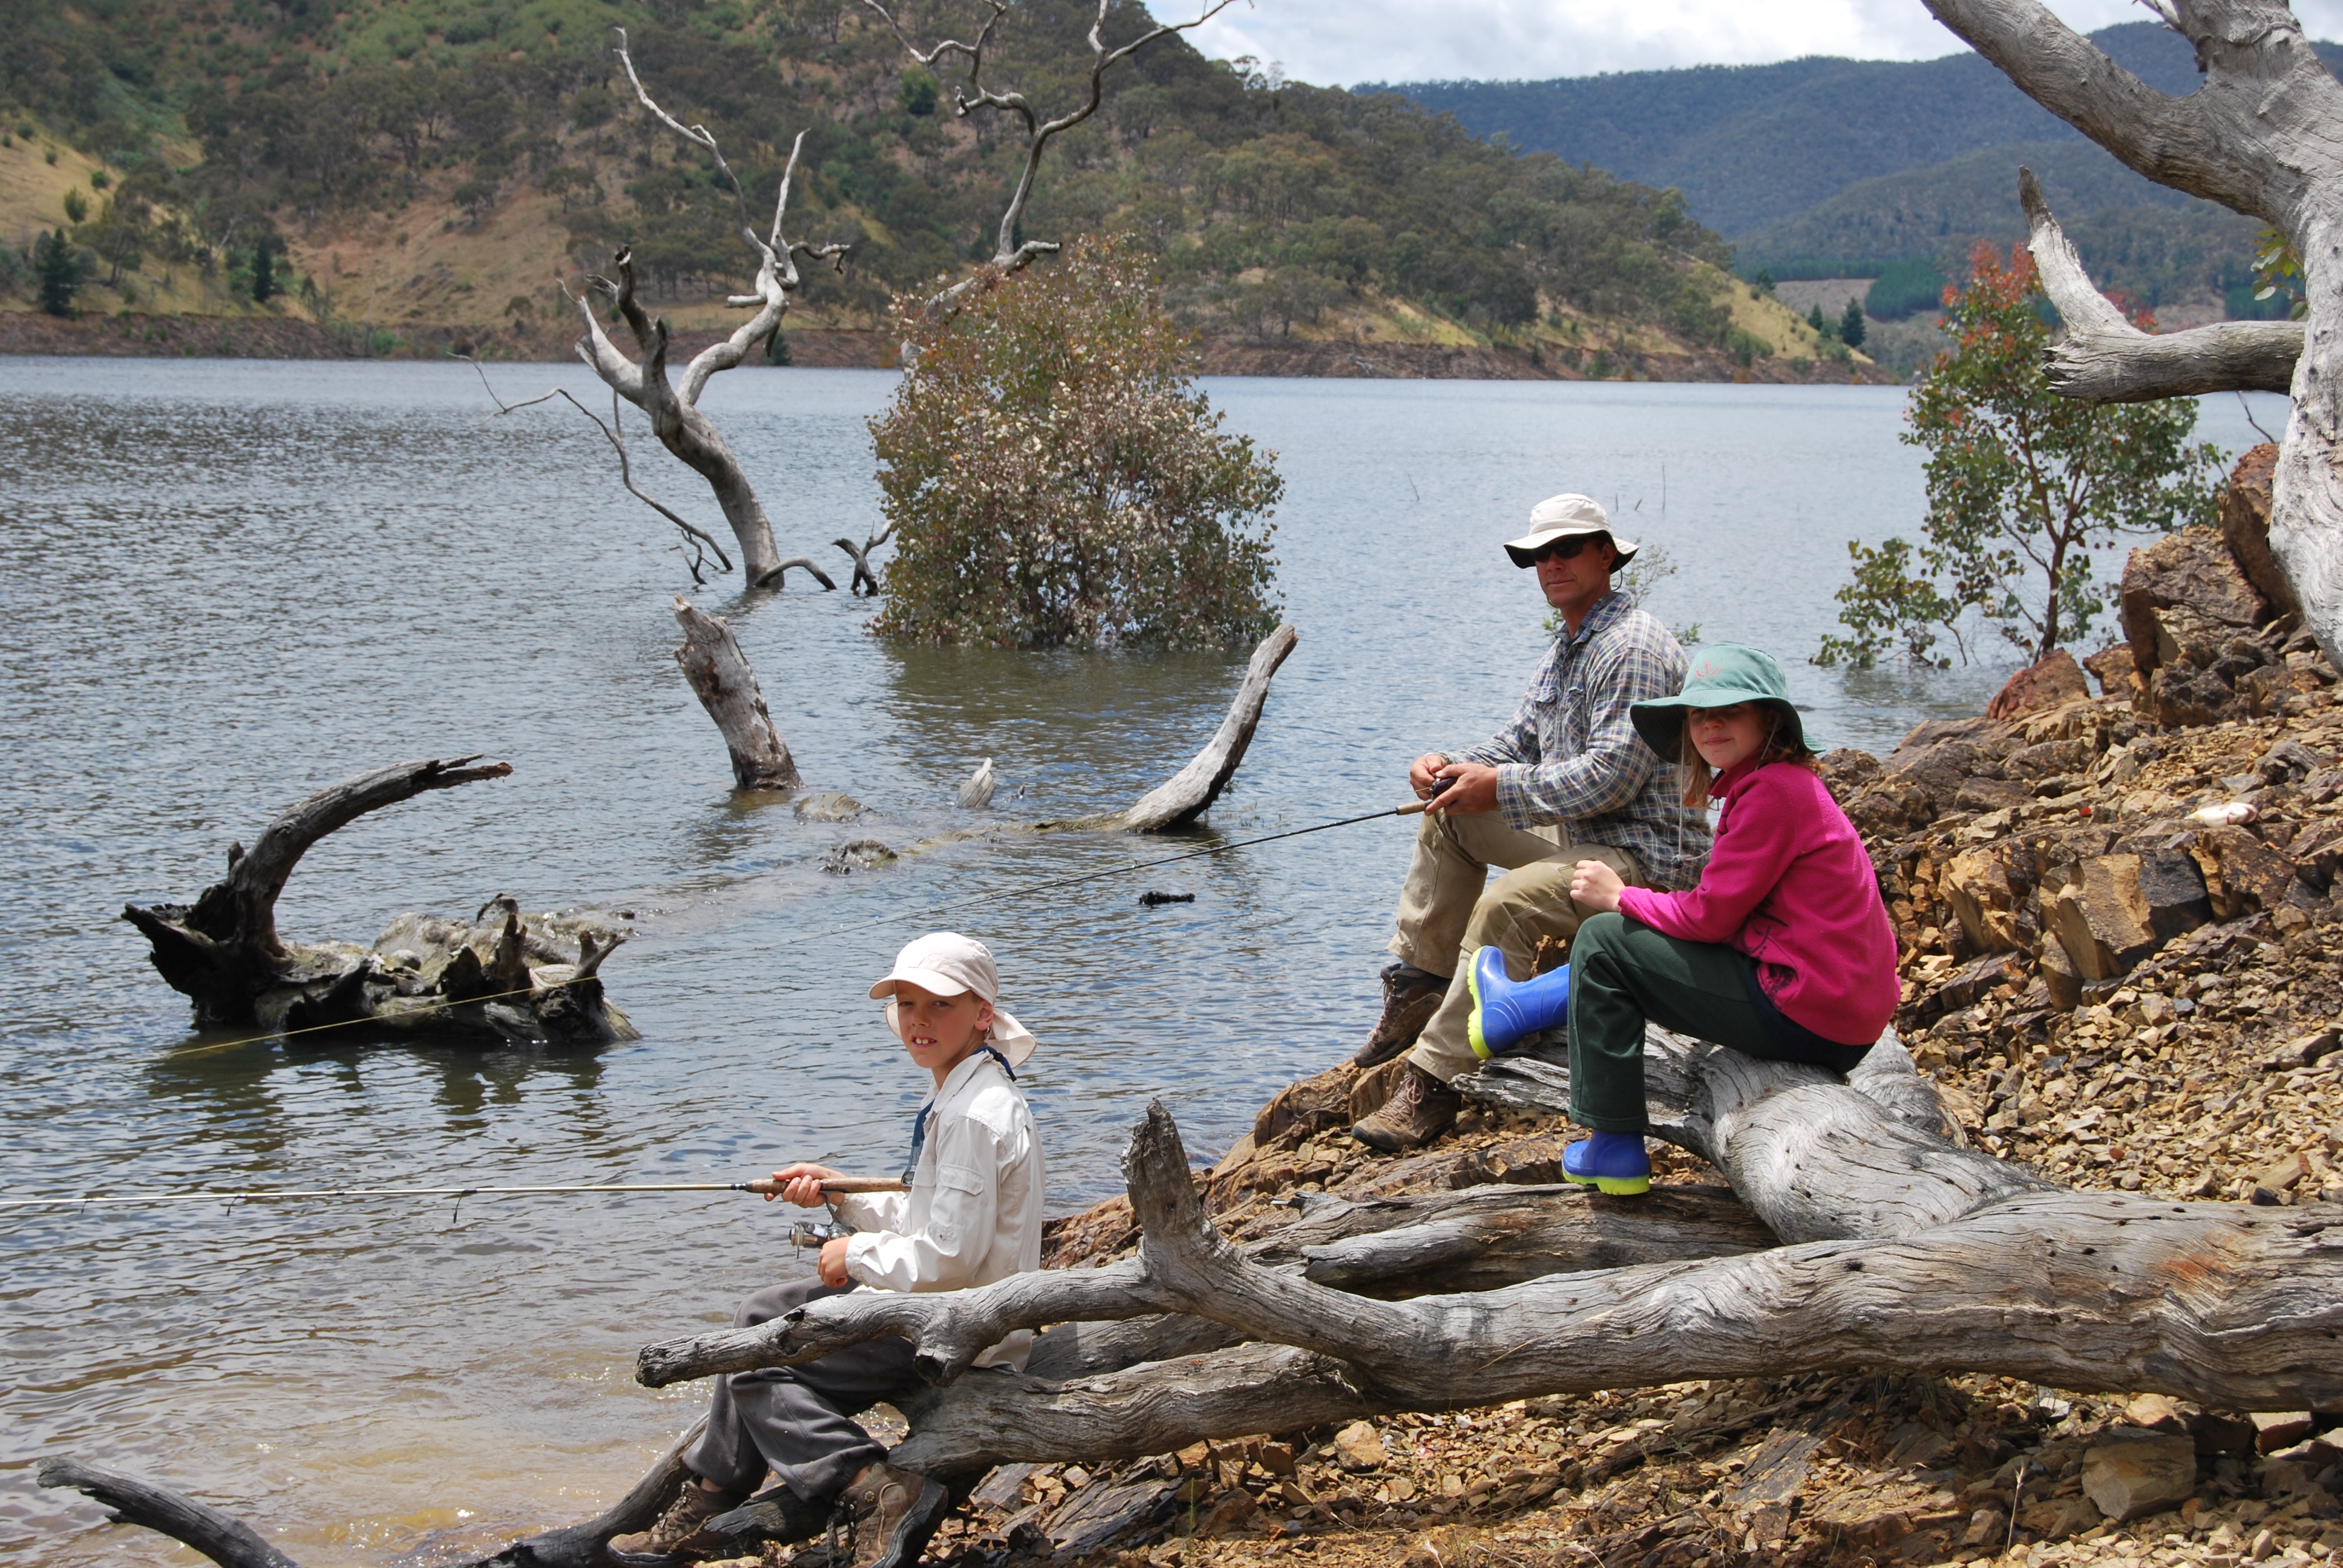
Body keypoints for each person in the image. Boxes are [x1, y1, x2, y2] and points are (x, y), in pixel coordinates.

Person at [611, 932, 1046, 1568]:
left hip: (957, 1328)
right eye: (905, 1004)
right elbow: (931, 1215)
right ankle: (712, 1496)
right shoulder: (963, 1092)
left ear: (983, 1013)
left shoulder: (972, 1115)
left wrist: (856, 1254)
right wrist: (837, 1194)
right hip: (947, 1305)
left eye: (939, 1005)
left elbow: (948, 1258)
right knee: (762, 1315)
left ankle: (867, 1485)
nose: (918, 1020)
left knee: (757, 1356)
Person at [1461, 645, 1901, 1194]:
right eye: (1698, 714)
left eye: (1730, 711)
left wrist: (1621, 896)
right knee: (1635, 939)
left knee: (1602, 939)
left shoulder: (1772, 793)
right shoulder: (1779, 785)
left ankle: (1612, 1146)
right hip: (1836, 1011)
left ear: (1769, 719)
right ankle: (1514, 1009)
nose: (1711, 724)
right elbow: (1725, 914)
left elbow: (1710, 918)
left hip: (1808, 1013)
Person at [1349, 492, 1709, 1153]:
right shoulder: (1569, 644)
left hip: (1646, 858)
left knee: (1507, 904)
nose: (1551, 564)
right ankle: (1421, 989)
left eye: (1566, 549)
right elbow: (1518, 742)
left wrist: (1499, 788)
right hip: (1584, 837)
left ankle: (1434, 1084)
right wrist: (1451, 769)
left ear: (1606, 554)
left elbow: (1612, 778)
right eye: (1539, 554)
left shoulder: (1631, 646)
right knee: (1447, 817)